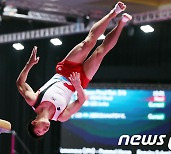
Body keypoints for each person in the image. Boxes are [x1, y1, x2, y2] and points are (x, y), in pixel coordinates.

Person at [16, 1, 132, 138]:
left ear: (34, 122)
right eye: (44, 133)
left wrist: (29, 64)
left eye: (39, 130)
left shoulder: (34, 100)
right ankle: (122, 23)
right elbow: (81, 101)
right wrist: (77, 86)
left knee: (88, 43)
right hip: (79, 82)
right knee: (100, 53)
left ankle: (114, 13)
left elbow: (20, 83)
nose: (45, 130)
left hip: (65, 70)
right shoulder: (61, 116)